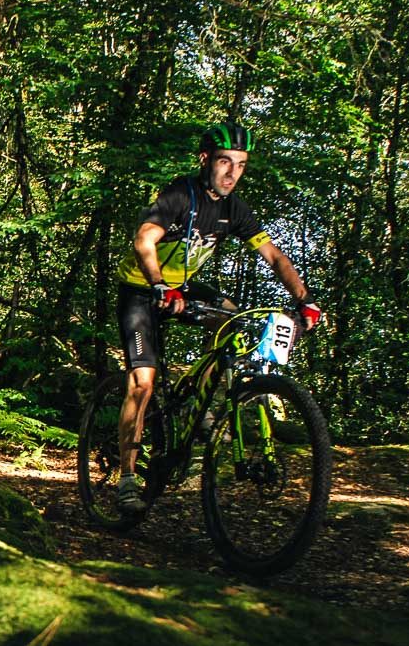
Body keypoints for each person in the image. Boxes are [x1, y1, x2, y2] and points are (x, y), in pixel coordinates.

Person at [111, 120, 322, 515]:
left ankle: (199, 401)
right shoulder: (179, 194)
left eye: (240, 165)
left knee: (234, 319)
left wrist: (305, 299)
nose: (232, 173)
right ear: (206, 160)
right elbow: (144, 240)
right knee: (143, 382)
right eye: (225, 162)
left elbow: (274, 256)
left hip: (183, 285)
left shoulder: (233, 209)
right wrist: (158, 285)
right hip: (142, 286)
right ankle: (126, 477)